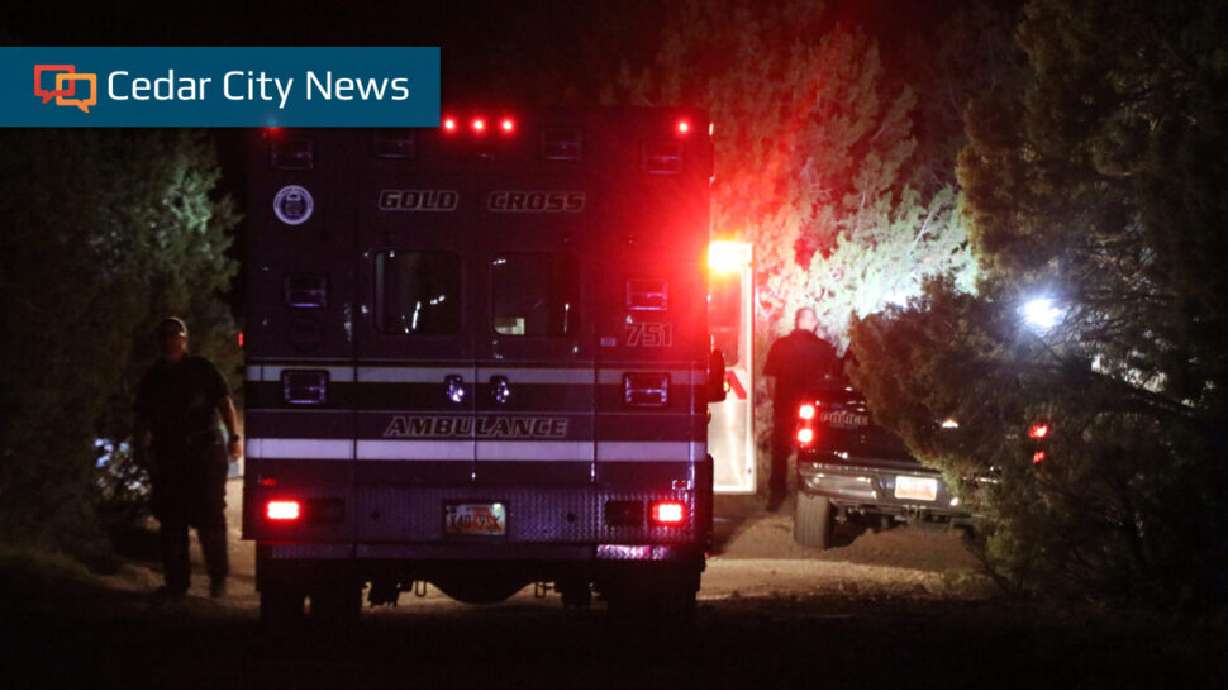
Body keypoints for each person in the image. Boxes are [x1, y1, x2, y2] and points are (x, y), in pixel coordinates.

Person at [133, 317, 242, 599]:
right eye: (166, 337)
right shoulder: (154, 376)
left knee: (210, 517)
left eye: (175, 336)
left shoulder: (201, 369)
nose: (171, 341)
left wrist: (234, 437)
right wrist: (140, 447)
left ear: (184, 339)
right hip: (170, 456)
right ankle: (177, 583)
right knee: (172, 520)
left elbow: (224, 403)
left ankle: (218, 579)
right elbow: (143, 416)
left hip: (205, 454)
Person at [762, 307, 839, 511]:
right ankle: (809, 494)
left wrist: (775, 401)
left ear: (796, 322)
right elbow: (834, 379)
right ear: (812, 322)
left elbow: (771, 379)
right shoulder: (824, 348)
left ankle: (776, 494)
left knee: (780, 451)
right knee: (813, 450)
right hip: (816, 409)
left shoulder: (780, 345)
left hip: (785, 405)